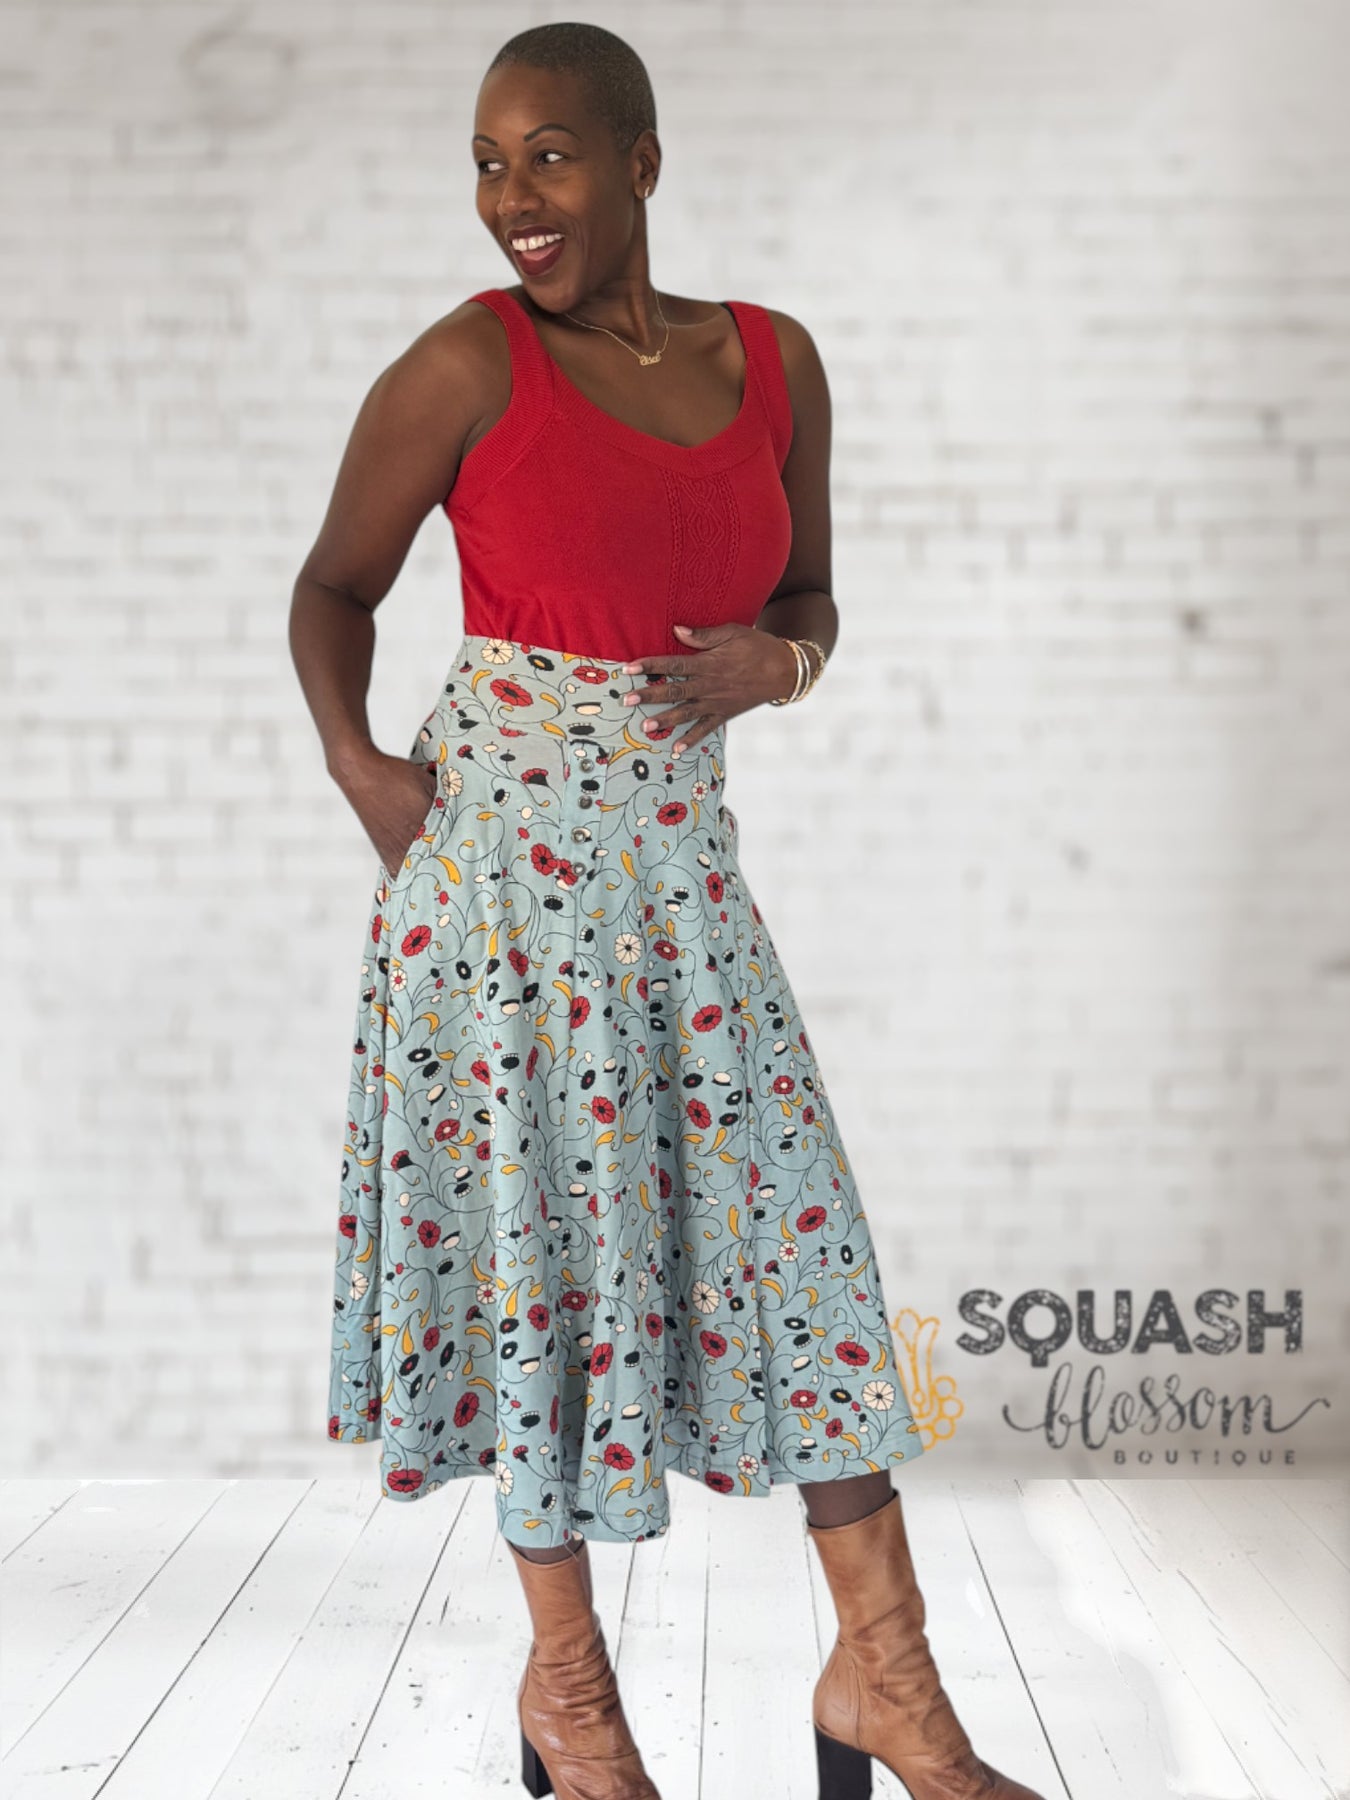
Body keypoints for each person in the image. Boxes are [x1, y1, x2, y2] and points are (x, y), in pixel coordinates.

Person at [290, 21, 1045, 1800]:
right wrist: (363, 772)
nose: (511, 196)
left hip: (686, 888)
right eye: (487, 163)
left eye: (547, 153)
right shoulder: (464, 365)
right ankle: (572, 1702)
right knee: (532, 1269)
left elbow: (810, 591)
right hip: (497, 896)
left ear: (640, 158)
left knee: (804, 1259)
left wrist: (783, 664)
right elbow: (333, 586)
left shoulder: (771, 359)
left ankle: (888, 1690)